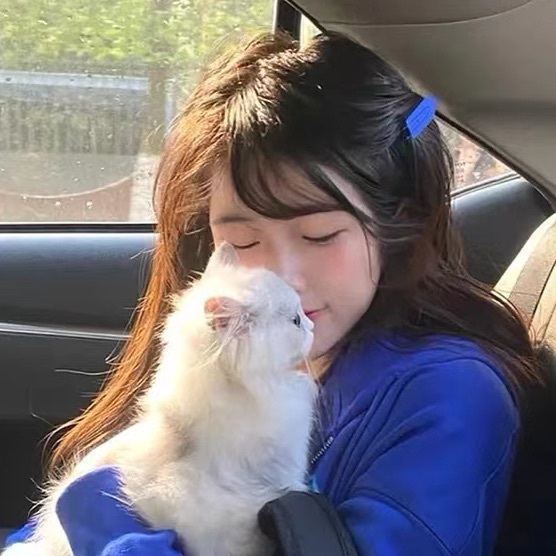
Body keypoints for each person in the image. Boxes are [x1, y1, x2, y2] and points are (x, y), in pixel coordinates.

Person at [5, 31, 538, 555]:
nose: (281, 275)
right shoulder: (227, 354)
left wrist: (103, 521)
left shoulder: (447, 396)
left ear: (396, 224)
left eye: (319, 236)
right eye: (242, 241)